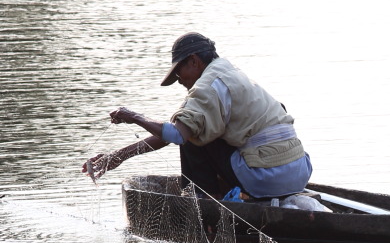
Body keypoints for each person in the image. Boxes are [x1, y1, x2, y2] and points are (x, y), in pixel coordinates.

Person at [84, 32, 312, 199]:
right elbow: (172, 133)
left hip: (267, 179)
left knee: (192, 139)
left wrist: (134, 117)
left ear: (194, 61)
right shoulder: (231, 73)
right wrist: (118, 156)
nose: (179, 81)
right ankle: (227, 193)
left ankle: (206, 206)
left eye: (179, 73)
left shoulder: (208, 86)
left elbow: (177, 135)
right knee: (196, 132)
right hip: (299, 172)